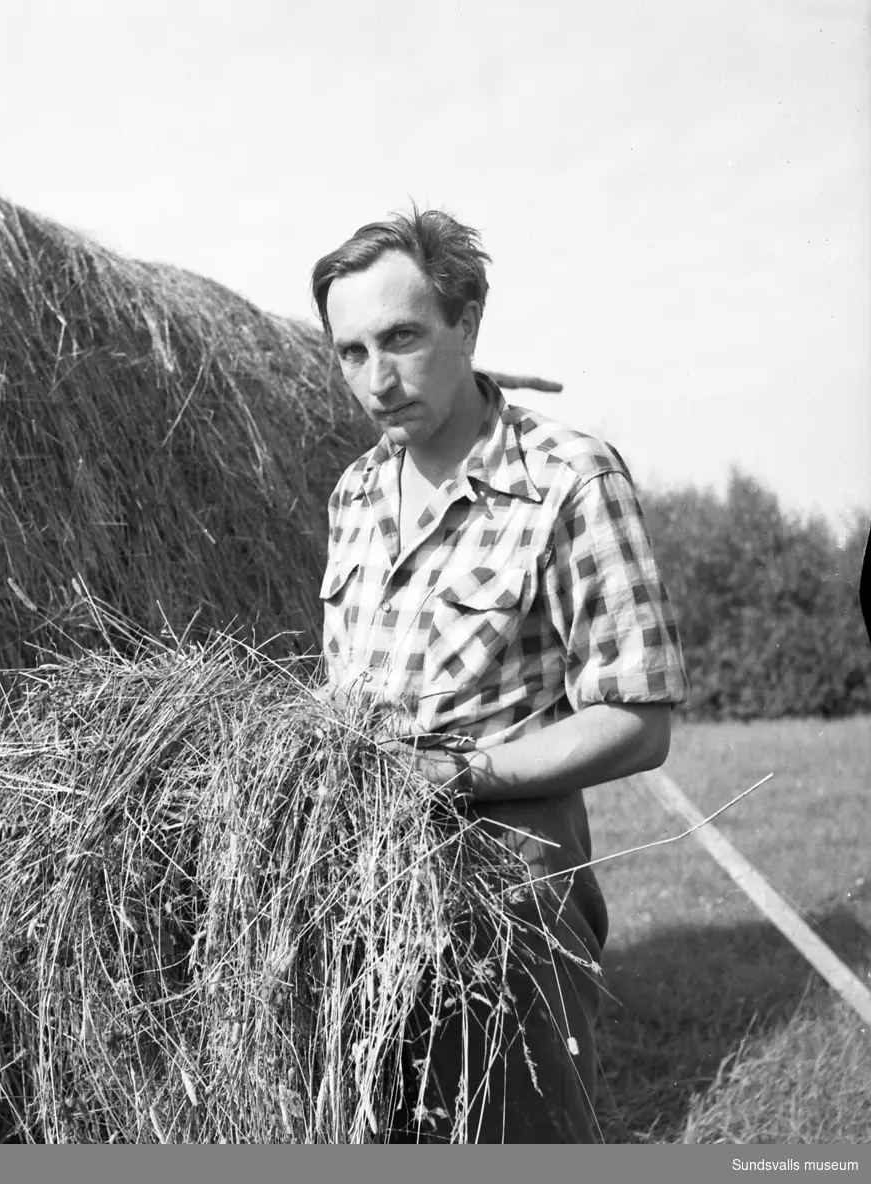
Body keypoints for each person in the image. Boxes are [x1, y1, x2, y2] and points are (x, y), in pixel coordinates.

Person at [310, 208, 689, 1143]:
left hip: (506, 897)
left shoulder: (571, 480)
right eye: (351, 351)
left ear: (468, 324)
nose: (378, 378)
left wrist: (461, 774)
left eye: (402, 338)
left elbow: (639, 719)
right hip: (360, 889)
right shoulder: (356, 491)